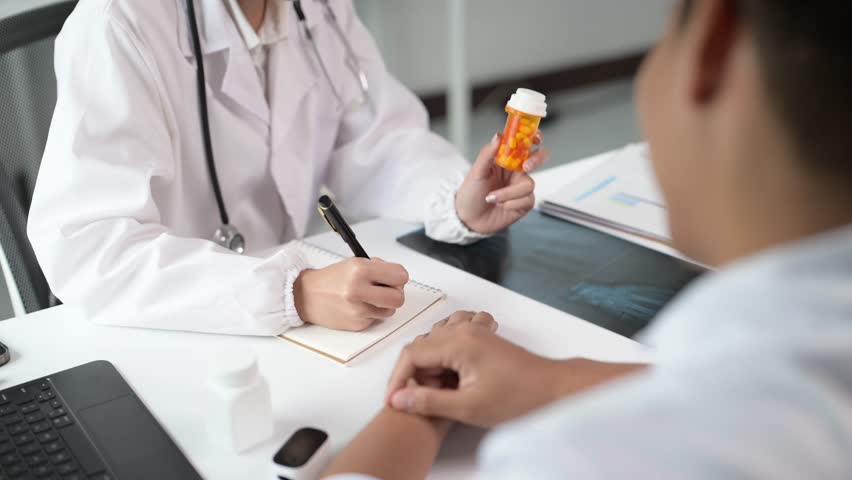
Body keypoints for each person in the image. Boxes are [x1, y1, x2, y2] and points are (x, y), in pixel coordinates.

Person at [325, 0, 852, 478]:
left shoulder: (575, 455)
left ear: (713, 47)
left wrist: (414, 410)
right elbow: (752, 397)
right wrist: (555, 382)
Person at [26, 0, 548, 335]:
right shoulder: (118, 22)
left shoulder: (313, 7)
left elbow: (374, 139)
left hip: (293, 321)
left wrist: (456, 199)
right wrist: (290, 291)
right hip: (161, 323)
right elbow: (89, 245)